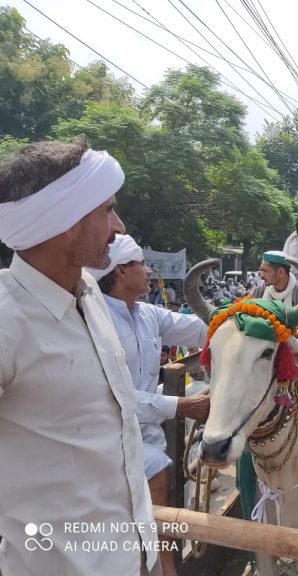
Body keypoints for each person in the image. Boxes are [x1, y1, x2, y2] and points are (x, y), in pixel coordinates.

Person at [0, 141, 158, 574]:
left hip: (134, 554)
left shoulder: (89, 297)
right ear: (66, 221)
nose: (119, 226)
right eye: (107, 210)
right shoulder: (6, 319)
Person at [86, 233, 210, 576]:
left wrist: (250, 316)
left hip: (147, 431)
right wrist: (182, 407)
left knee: (160, 482)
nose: (147, 269)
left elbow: (201, 328)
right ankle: (165, 570)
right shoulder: (94, 320)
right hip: (106, 432)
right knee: (158, 474)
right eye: (141, 263)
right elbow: (112, 395)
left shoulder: (149, 315)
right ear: (121, 271)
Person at [250, 250, 298, 327]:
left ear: (280, 272)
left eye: (265, 271)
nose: (261, 275)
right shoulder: (262, 287)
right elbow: (248, 306)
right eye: (261, 270)